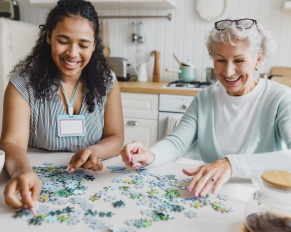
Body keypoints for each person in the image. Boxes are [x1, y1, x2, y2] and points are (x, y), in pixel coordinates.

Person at [121, 18, 291, 198]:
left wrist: (231, 164)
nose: (228, 71)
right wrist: (150, 155)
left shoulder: (281, 98)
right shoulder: (205, 97)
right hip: (208, 196)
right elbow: (177, 142)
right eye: (221, 60)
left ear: (259, 58)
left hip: (260, 200)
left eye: (239, 60)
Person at [0, 0, 124, 213]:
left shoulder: (107, 81)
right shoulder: (21, 84)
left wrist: (95, 151)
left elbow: (116, 137)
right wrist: (22, 172)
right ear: (48, 37)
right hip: (36, 183)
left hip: (93, 189)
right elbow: (12, 143)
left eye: (83, 45)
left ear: (94, 45)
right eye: (63, 41)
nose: (73, 53)